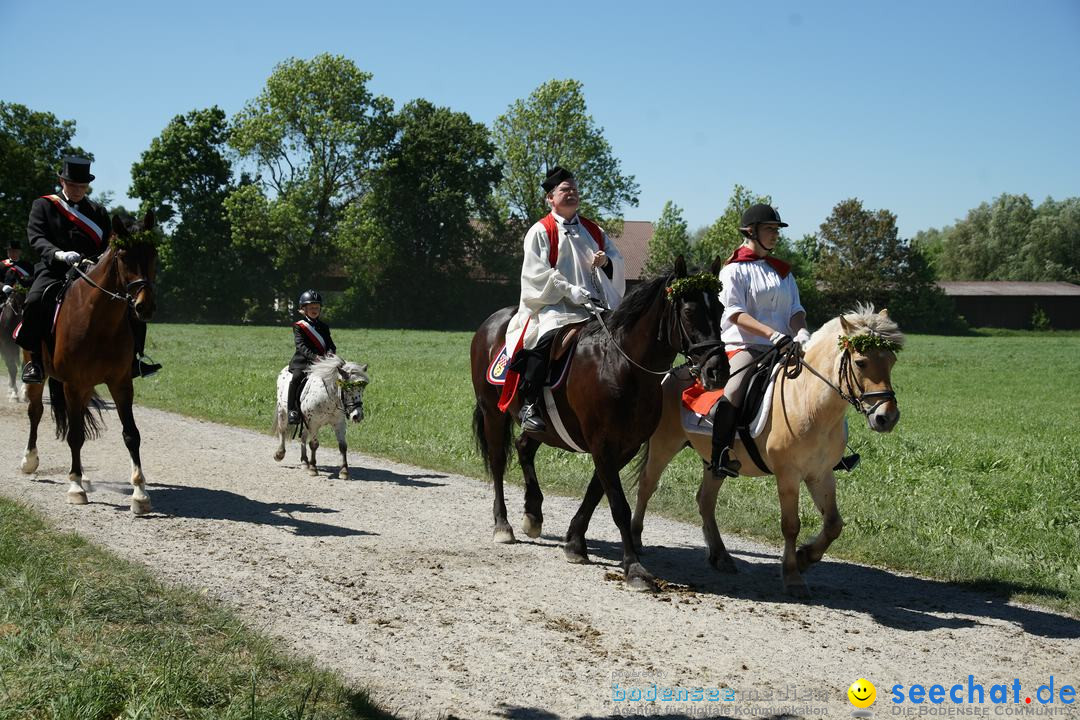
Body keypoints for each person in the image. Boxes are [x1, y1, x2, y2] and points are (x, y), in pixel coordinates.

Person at [502, 166, 625, 432]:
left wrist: (606, 262)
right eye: (565, 190)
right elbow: (538, 273)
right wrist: (570, 291)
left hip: (595, 306)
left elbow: (617, 259)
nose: (572, 194)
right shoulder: (541, 231)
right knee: (546, 339)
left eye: (575, 190)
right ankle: (530, 404)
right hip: (555, 306)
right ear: (550, 198)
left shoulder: (593, 229)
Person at [17, 156, 161, 383]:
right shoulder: (44, 205)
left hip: (91, 272)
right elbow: (36, 237)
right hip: (54, 268)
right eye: (73, 185)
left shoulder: (97, 211)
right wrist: (59, 254)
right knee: (35, 300)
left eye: (82, 186)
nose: (77, 190)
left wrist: (94, 262)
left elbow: (108, 246)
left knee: (130, 304)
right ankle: (35, 361)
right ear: (61, 181)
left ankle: (134, 360)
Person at [709, 203, 812, 477]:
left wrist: (801, 331)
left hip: (786, 346)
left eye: (777, 230)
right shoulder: (733, 270)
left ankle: (829, 453)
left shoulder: (783, 272)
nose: (776, 234)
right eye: (770, 229)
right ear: (751, 231)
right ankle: (720, 454)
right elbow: (733, 312)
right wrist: (771, 334)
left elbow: (795, 310)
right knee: (733, 391)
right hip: (746, 346)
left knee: (820, 382)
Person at [287, 289, 336, 426]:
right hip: (303, 362)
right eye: (311, 307)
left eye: (317, 307)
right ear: (304, 309)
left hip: (323, 362)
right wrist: (315, 357)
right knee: (296, 377)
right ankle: (292, 410)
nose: (314, 310)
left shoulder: (324, 327)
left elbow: (330, 344)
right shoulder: (299, 327)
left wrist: (331, 353)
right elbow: (301, 346)